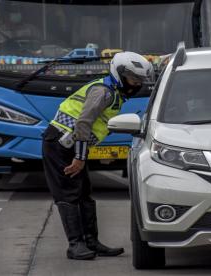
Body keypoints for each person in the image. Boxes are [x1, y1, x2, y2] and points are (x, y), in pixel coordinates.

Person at [42, 52, 153, 260]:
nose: (136, 84)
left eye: (140, 80)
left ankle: (91, 242)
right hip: (60, 145)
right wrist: (80, 157)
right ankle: (75, 245)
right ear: (119, 74)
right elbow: (83, 123)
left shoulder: (115, 94)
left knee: (84, 192)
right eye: (133, 79)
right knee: (68, 194)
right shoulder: (103, 92)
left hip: (72, 145)